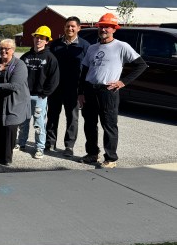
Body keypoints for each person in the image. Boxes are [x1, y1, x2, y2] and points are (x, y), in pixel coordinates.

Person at [78, 13, 148, 168]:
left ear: (114, 29)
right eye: (101, 26)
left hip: (107, 91)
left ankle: (110, 158)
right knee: (89, 124)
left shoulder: (121, 46)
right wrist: (81, 92)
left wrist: (123, 82)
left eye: (107, 27)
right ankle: (92, 154)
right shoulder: (92, 48)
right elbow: (84, 71)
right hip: (90, 90)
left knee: (109, 125)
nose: (104, 29)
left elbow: (141, 65)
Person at [46, 16, 90, 156]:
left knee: (72, 117)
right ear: (64, 28)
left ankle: (69, 146)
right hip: (56, 87)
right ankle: (50, 142)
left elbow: (87, 69)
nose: (69, 29)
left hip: (74, 88)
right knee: (52, 115)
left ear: (78, 28)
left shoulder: (85, 46)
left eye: (72, 26)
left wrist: (82, 89)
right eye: (67, 26)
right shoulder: (55, 44)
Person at [0, 39, 31, 166]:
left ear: (13, 50)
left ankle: (6, 158)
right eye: (1, 49)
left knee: (9, 129)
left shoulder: (19, 65)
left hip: (13, 103)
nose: (3, 51)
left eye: (7, 49)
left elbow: (14, 86)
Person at [17, 26, 60, 159]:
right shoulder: (25, 56)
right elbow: (18, 75)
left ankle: (39, 147)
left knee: (38, 123)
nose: (39, 40)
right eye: (37, 37)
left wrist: (44, 93)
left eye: (42, 38)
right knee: (23, 121)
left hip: (39, 97)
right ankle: (21, 143)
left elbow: (54, 79)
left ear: (47, 41)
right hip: (25, 96)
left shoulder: (50, 58)